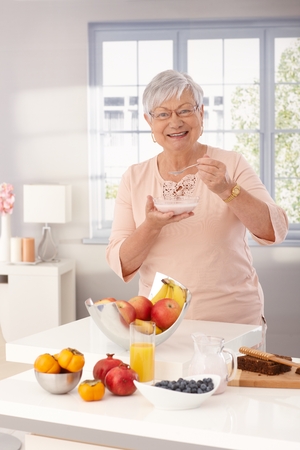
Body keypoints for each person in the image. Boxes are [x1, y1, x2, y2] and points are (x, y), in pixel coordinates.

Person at [106, 69, 288, 327]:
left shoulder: (231, 164)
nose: (175, 122)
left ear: (201, 114)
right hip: (159, 324)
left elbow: (275, 229)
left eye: (184, 111)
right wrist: (151, 226)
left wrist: (228, 190)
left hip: (233, 321)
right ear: (149, 121)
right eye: (163, 114)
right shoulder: (133, 178)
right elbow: (121, 262)